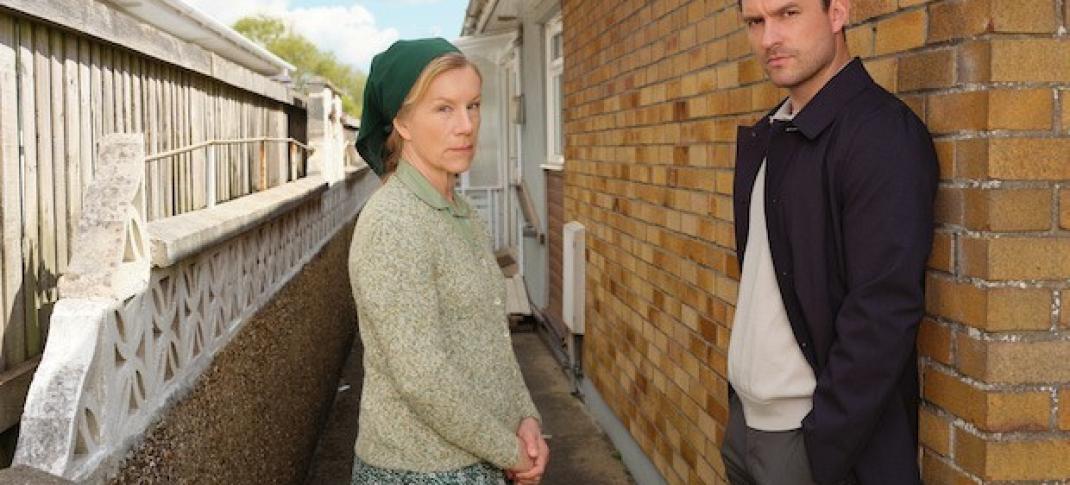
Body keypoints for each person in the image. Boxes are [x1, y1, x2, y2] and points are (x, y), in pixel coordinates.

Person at [723, 0, 938, 483]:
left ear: (837, 13)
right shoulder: (773, 133)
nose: (768, 38)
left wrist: (822, 446)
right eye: (755, 22)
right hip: (747, 428)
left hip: (811, 443)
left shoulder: (881, 134)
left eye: (788, 14)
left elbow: (883, 312)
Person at [349, 38, 549, 485]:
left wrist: (526, 418)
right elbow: (423, 377)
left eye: (473, 105)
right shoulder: (393, 223)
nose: (466, 126)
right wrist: (510, 452)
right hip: (419, 472)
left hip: (483, 460)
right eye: (444, 109)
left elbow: (491, 340)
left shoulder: (462, 213)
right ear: (400, 121)